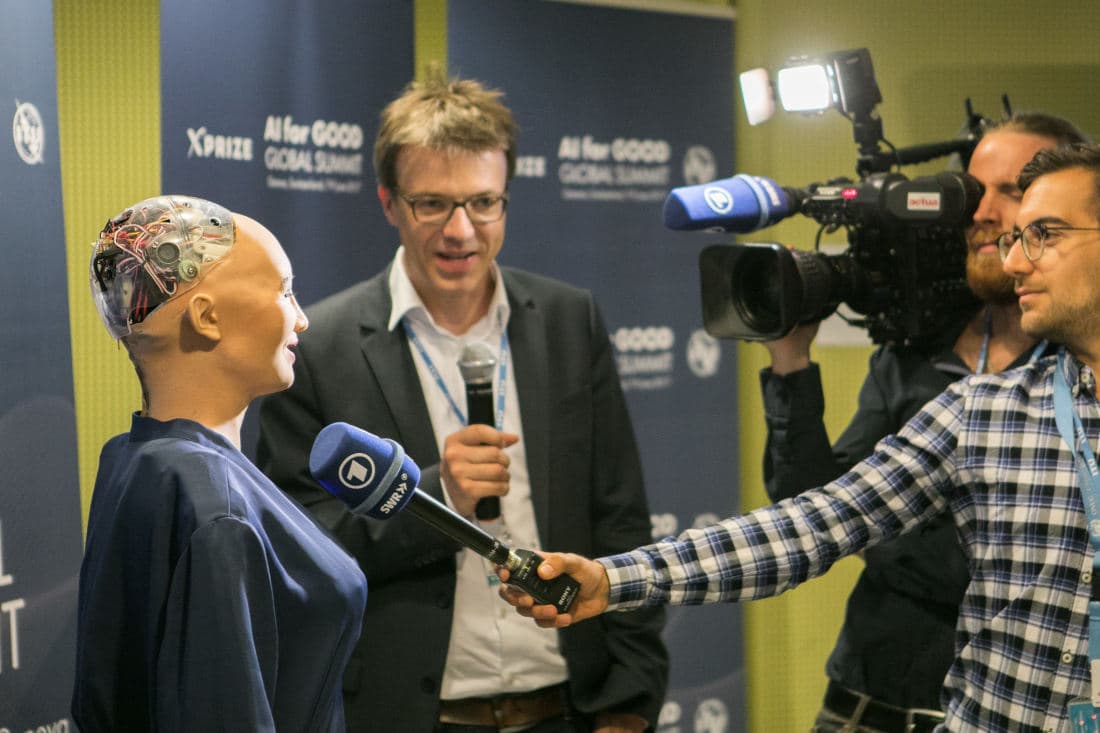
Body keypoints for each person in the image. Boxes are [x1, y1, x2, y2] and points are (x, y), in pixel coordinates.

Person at [502, 142, 1100, 732]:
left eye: (1043, 234)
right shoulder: (982, 412)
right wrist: (614, 580)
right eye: (1018, 238)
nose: (1016, 260)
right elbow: (814, 523)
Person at [256, 69, 668, 733]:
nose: (461, 231)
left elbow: (620, 516)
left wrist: (630, 702)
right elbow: (299, 551)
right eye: (432, 204)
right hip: (411, 715)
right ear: (389, 202)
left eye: (483, 202)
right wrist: (433, 496)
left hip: (570, 707)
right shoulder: (319, 346)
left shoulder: (569, 320)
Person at [758, 113, 1089, 732]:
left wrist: (892, 537)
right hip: (864, 705)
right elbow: (817, 510)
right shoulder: (913, 346)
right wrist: (790, 359)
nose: (982, 212)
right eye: (973, 189)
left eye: (1013, 192)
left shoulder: (1081, 377)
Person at [72, 195, 367, 731]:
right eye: (284, 291)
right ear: (207, 317)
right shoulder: (213, 502)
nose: (300, 319)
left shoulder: (133, 458)